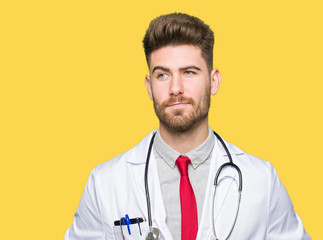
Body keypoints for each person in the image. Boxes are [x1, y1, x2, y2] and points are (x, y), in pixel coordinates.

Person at [65, 13, 310, 240]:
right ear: (149, 87)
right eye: (163, 75)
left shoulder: (262, 181)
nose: (175, 88)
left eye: (189, 72)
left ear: (213, 82)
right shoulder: (105, 183)